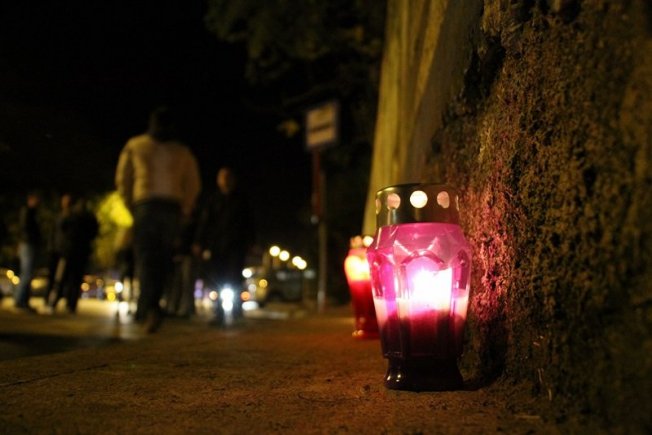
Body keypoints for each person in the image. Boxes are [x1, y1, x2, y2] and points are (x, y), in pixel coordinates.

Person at [115, 106, 201, 333]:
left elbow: (123, 179)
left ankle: (148, 307)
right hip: (166, 207)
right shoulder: (180, 151)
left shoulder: (136, 145)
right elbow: (193, 183)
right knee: (160, 258)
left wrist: (131, 203)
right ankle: (150, 307)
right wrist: (186, 207)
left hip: (149, 206)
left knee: (148, 258)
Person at [192, 167, 255, 323]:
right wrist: (199, 242)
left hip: (236, 245)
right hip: (217, 246)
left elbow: (249, 223)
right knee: (217, 279)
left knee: (235, 277)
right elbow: (205, 223)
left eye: (229, 177)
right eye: (223, 177)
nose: (226, 180)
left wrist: (251, 242)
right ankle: (219, 312)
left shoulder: (241, 200)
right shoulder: (213, 200)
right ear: (218, 180)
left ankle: (237, 312)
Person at [48, 195, 99, 314]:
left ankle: (54, 302)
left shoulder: (71, 216)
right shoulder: (88, 216)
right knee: (73, 279)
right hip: (79, 251)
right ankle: (70, 304)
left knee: (62, 277)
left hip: (69, 251)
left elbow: (62, 231)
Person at [14, 191, 43, 312]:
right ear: (31, 199)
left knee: (28, 273)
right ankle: (19, 301)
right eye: (36, 199)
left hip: (29, 244)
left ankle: (24, 301)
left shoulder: (32, 212)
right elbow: (25, 228)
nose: (38, 202)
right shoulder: (27, 212)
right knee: (26, 273)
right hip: (27, 244)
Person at [44, 193, 73, 306]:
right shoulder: (57, 217)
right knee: (51, 276)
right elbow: (52, 233)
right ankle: (48, 299)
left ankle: (55, 299)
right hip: (55, 250)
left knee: (61, 277)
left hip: (65, 251)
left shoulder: (72, 218)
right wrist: (50, 247)